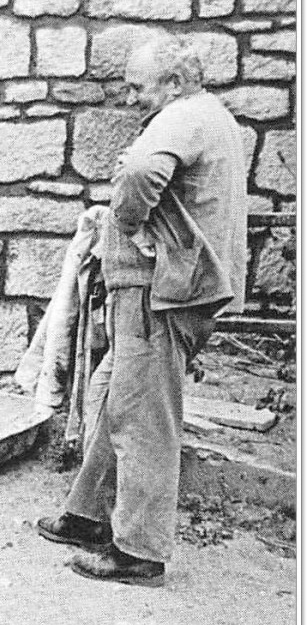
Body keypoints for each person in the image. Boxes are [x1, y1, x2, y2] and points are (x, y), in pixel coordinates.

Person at [37, 37, 249, 586]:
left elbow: (140, 175)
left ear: (173, 84)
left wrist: (125, 222)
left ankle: (139, 550)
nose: (132, 98)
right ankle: (87, 515)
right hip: (171, 287)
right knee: (113, 395)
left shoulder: (180, 117)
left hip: (162, 292)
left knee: (144, 418)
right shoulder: (209, 116)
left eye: (138, 87)